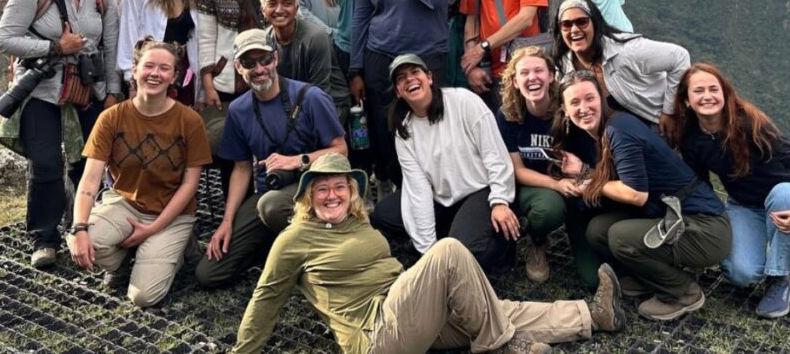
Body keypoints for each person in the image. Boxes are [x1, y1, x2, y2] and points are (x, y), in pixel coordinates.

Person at [233, 152, 626, 354]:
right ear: (307, 196)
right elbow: (266, 297)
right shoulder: (296, 238)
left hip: (405, 312)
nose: (332, 195)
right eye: (322, 189)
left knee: (491, 309)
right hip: (376, 336)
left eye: (340, 187)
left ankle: (591, 315)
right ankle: (500, 347)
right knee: (449, 251)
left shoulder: (357, 221)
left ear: (351, 191)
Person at [0, 0, 120, 269]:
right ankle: (43, 238)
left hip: (86, 89)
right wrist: (53, 47)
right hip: (43, 89)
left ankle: (83, 227)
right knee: (46, 163)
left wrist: (111, 93)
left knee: (87, 163)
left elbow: (111, 46)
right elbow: (3, 39)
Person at [557, 71, 731, 321]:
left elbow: (635, 194)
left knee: (620, 237)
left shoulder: (619, 129)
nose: (584, 108)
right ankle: (652, 278)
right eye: (574, 103)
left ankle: (683, 292)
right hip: (673, 220)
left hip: (704, 228)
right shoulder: (603, 131)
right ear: (564, 109)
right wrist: (583, 172)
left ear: (602, 98)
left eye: (589, 98)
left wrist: (586, 177)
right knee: (598, 230)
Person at [195, 29, 347, 288]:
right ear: (237, 67)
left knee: (272, 206)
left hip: (315, 187)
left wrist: (298, 161)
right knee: (210, 273)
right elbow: (241, 168)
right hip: (271, 192)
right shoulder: (239, 110)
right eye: (249, 63)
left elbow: (340, 149)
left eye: (265, 60)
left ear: (275, 59)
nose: (259, 69)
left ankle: (323, 254)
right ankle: (277, 250)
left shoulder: (310, 97)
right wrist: (227, 221)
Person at [66, 39, 211, 307]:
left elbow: (190, 185)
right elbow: (89, 180)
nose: (155, 74)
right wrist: (79, 228)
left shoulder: (189, 121)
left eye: (164, 68)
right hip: (125, 204)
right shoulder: (111, 118)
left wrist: (153, 228)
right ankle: (125, 261)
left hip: (172, 213)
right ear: (134, 69)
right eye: (149, 66)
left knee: (143, 297)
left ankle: (174, 250)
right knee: (89, 244)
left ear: (174, 77)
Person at [670, 63, 790, 318]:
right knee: (741, 274)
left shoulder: (748, 122)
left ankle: (779, 280)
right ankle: (767, 261)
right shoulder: (692, 138)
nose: (707, 96)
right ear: (686, 100)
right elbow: (701, 186)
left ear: (725, 93)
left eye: (713, 89)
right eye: (698, 91)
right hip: (744, 206)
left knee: (783, 193)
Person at [372, 54, 517, 273]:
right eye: (401, 78)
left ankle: (502, 247)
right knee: (384, 214)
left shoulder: (463, 101)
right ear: (398, 92)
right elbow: (418, 190)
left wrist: (500, 200)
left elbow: (495, 155)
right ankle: (450, 233)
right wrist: (428, 251)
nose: (409, 79)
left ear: (429, 77)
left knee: (463, 251)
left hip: (480, 190)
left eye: (415, 72)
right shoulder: (404, 131)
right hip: (441, 197)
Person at [351, 0, 455, 188]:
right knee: (385, 130)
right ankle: (394, 192)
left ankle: (437, 188)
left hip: (427, 54)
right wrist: (356, 69)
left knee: (430, 121)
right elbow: (361, 16)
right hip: (380, 54)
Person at [497, 46, 601, 288]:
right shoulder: (508, 116)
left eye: (538, 70)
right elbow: (518, 170)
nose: (532, 77)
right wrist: (557, 184)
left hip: (575, 189)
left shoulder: (568, 111)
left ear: (551, 76)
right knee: (547, 209)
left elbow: (591, 166)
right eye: (524, 73)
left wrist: (581, 181)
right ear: (514, 80)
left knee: (593, 279)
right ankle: (537, 241)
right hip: (536, 188)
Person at [553, 0, 689, 135]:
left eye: (582, 22)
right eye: (566, 24)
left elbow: (680, 57)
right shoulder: (564, 66)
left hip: (655, 128)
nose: (574, 29)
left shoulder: (626, 51)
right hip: (611, 138)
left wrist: (669, 111)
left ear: (595, 23)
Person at [197, 0, 276, 154]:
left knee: (268, 138)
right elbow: (206, 36)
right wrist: (208, 83)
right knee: (229, 144)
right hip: (227, 79)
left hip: (267, 73)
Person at [118, 0, 204, 106]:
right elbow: (128, 31)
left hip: (182, 71)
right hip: (149, 71)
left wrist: (201, 89)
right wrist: (131, 80)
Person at [259, 0, 350, 119]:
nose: (279, 9)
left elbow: (320, 92)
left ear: (296, 8)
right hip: (292, 103)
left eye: (287, 3)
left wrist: (292, 119)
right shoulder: (264, 41)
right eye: (272, 4)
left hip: (328, 103)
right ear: (263, 10)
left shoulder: (315, 38)